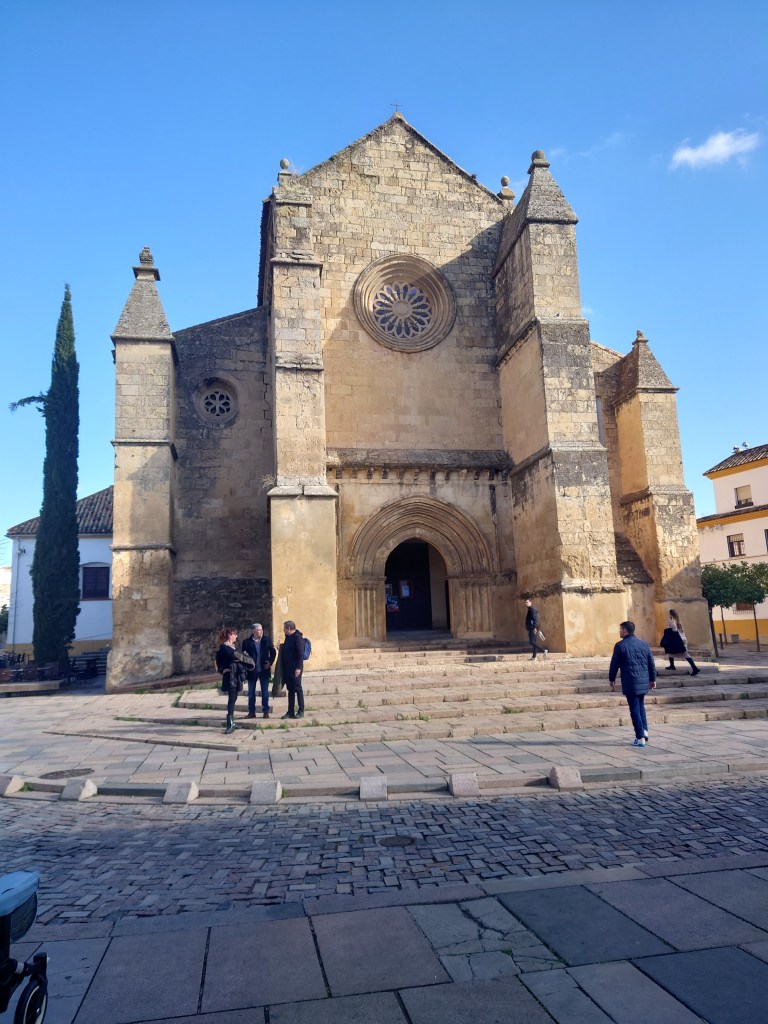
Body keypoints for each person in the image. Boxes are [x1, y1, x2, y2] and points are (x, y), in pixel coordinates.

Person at [609, 620, 657, 747]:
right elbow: (651, 663)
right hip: (643, 681)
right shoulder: (643, 644)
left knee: (634, 708)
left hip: (631, 681)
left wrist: (611, 678)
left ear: (625, 630)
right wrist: (653, 679)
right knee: (640, 706)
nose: (619, 631)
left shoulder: (620, 645)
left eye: (620, 629)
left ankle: (640, 737)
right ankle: (644, 731)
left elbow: (614, 664)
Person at [214, 627, 254, 734]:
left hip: (237, 676)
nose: (236, 636)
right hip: (230, 676)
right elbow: (219, 661)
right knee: (231, 699)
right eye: (234, 634)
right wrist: (222, 670)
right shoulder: (224, 647)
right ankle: (230, 723)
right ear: (229, 635)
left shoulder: (234, 647)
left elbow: (239, 658)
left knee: (235, 697)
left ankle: (232, 722)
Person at [242, 622, 276, 719]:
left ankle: (266, 711)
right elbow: (243, 656)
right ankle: (251, 712)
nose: (261, 632)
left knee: (265, 693)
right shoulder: (247, 642)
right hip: (252, 670)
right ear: (253, 631)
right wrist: (247, 665)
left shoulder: (266, 640)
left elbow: (273, 651)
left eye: (261, 630)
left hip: (264, 669)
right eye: (258, 630)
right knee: (251, 693)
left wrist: (270, 662)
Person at [280, 620, 305, 720]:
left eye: (284, 628)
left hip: (295, 669)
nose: (283, 630)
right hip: (288, 669)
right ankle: (290, 711)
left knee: (298, 689)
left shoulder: (298, 638)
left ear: (289, 628)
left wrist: (298, 668)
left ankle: (301, 710)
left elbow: (300, 654)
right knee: (290, 690)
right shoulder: (288, 638)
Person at [664, 609, 700, 676]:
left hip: (677, 639)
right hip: (683, 638)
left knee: (685, 654)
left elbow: (674, 629)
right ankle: (672, 665)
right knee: (670, 651)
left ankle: (695, 668)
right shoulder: (679, 620)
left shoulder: (671, 620)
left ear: (670, 614)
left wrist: (668, 630)